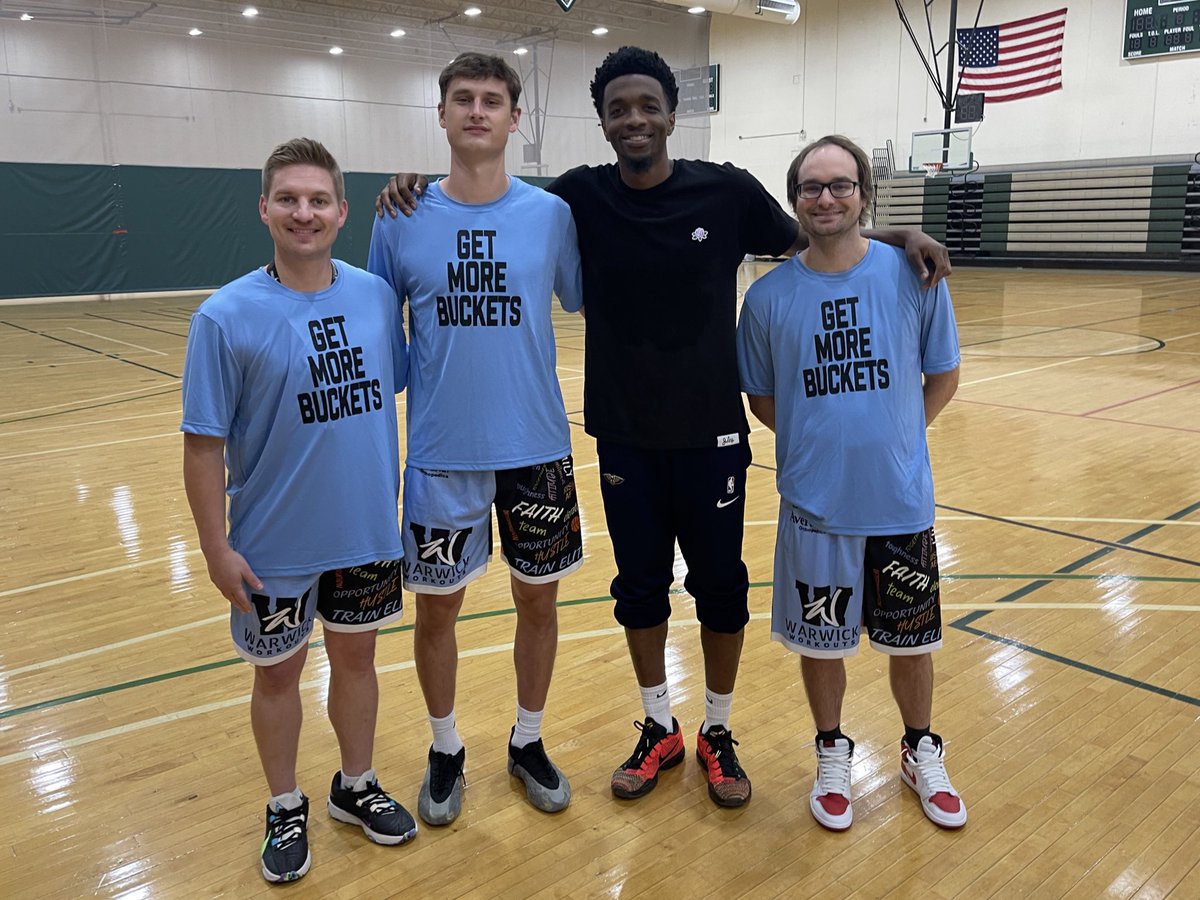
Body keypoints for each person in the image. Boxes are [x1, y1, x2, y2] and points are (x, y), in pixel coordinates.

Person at [378, 46, 950, 810]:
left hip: (713, 433)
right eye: (620, 108)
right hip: (622, 434)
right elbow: (482, 199)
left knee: (720, 590)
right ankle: (657, 726)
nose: (635, 119)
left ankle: (717, 731)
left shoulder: (727, 191)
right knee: (639, 591)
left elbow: (817, 234)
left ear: (672, 114)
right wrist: (408, 185)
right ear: (604, 122)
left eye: (648, 105)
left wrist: (900, 236)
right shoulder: (572, 198)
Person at [181, 137, 416, 883]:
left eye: (318, 200)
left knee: (359, 658)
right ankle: (285, 803)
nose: (303, 213)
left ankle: (355, 784)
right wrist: (215, 548)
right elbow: (202, 447)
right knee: (278, 677)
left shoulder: (376, 299)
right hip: (272, 544)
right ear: (264, 209)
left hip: (366, 533)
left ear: (343, 212)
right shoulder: (224, 317)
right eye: (289, 199)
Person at [366, 53, 583, 827]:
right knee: (435, 614)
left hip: (537, 448)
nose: (479, 111)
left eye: (494, 100)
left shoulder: (552, 215)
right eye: (464, 99)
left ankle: (527, 741)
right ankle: (445, 745)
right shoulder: (399, 214)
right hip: (439, 453)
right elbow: (375, 328)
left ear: (516, 119)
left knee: (539, 604)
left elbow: (590, 296)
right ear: (443, 114)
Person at [736, 134, 965, 830]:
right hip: (815, 505)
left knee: (913, 642)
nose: (826, 197)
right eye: (811, 187)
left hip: (898, 502)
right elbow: (763, 400)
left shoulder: (914, 273)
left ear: (865, 194)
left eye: (840, 185)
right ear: (795, 200)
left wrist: (898, 435)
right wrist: (818, 445)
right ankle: (831, 749)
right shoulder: (768, 297)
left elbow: (944, 374)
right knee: (822, 641)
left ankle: (920, 748)